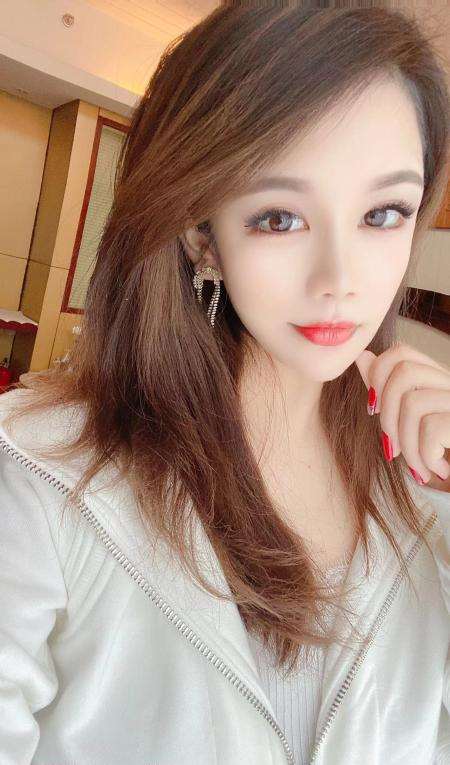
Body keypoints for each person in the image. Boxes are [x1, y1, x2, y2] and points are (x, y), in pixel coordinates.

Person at [0, 4, 449, 764]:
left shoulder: (424, 488)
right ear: (201, 236)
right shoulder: (41, 474)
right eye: (279, 217)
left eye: (383, 213)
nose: (340, 280)